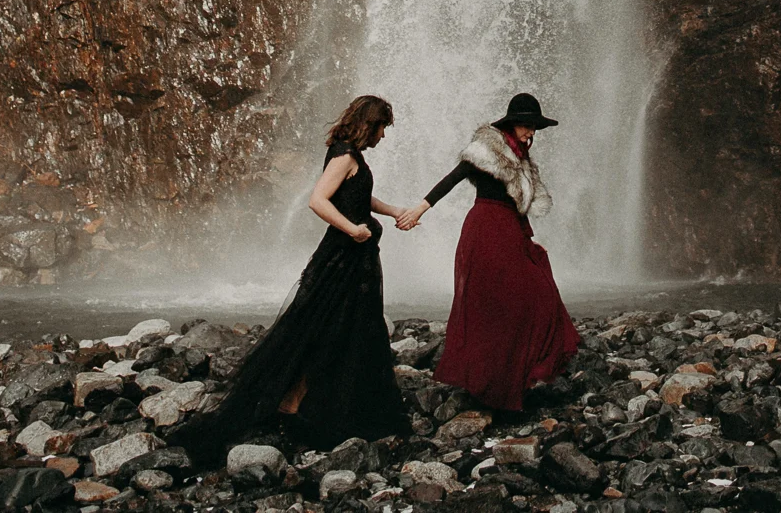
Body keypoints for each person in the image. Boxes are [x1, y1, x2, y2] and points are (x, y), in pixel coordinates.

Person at [170, 95, 412, 465]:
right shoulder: (346, 156)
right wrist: (354, 231)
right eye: (382, 128)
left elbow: (355, 194)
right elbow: (318, 200)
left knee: (330, 330)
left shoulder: (349, 156)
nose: (383, 136)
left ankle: (297, 402)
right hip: (344, 259)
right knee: (331, 330)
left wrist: (392, 209)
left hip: (351, 257)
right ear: (370, 124)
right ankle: (305, 406)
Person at [395, 92, 581, 413]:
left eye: (535, 128)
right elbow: (453, 179)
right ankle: (490, 383)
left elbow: (517, 207)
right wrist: (420, 209)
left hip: (509, 231)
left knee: (534, 292)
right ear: (511, 124)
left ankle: (514, 377)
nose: (531, 133)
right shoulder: (488, 149)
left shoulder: (522, 158)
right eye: (527, 126)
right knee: (495, 302)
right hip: (485, 231)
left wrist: (528, 240)